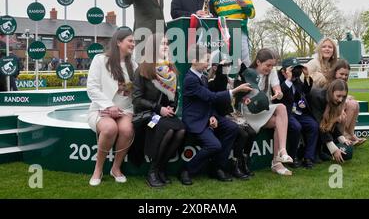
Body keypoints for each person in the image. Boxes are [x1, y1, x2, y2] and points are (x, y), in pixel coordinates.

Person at [180, 44, 251, 185]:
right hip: (195, 120)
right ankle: (187, 170)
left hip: (207, 116)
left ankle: (218, 167)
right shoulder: (190, 79)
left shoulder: (203, 77)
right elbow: (211, 96)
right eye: (206, 59)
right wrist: (235, 90)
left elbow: (208, 102)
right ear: (194, 60)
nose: (208, 63)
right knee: (214, 145)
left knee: (233, 128)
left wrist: (212, 115)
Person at [132, 33, 185, 188]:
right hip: (149, 114)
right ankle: (153, 171)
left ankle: (162, 168)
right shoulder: (142, 69)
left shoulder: (170, 68)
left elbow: (175, 95)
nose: (166, 47)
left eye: (167, 44)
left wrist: (171, 107)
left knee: (181, 130)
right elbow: (136, 99)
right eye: (163, 44)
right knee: (167, 130)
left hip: (164, 113)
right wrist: (158, 108)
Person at [86, 27, 136, 186]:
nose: (133, 44)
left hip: (125, 110)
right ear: (118, 42)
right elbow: (92, 88)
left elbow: (135, 91)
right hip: (101, 110)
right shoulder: (100, 60)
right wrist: (108, 106)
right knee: (109, 129)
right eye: (130, 40)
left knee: (127, 130)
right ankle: (98, 169)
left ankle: (116, 168)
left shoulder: (133, 64)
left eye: (134, 41)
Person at [237, 48, 293, 175]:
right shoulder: (247, 73)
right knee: (280, 116)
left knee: (280, 112)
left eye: (272, 65)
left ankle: (279, 157)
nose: (270, 68)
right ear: (258, 62)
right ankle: (278, 160)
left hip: (265, 110)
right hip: (249, 113)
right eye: (267, 65)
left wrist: (278, 94)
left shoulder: (272, 73)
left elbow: (278, 89)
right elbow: (238, 97)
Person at [207, 52, 255, 180]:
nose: (228, 67)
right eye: (225, 65)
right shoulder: (212, 82)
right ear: (215, 67)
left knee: (251, 132)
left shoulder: (230, 80)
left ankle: (243, 163)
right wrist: (221, 71)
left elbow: (246, 84)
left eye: (229, 64)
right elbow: (220, 87)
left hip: (235, 115)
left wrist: (242, 68)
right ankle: (234, 166)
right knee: (242, 135)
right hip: (222, 116)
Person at [276, 57, 318, 169]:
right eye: (293, 69)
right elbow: (278, 97)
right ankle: (291, 156)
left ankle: (308, 157)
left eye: (297, 69)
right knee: (296, 127)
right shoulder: (278, 78)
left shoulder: (296, 79)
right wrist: (288, 80)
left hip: (297, 112)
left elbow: (305, 91)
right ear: (283, 71)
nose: (296, 72)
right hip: (285, 113)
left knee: (313, 125)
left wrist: (307, 76)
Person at [209, 0, 255, 66]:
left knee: (245, 63)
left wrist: (244, 6)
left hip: (240, 32)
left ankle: (247, 81)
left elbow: (252, 14)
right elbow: (214, 18)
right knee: (227, 64)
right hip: (224, 36)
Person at [309, 79, 353, 164]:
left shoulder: (335, 102)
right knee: (313, 125)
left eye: (343, 97)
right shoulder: (318, 97)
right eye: (338, 96)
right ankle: (315, 153)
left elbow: (330, 123)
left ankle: (322, 152)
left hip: (318, 120)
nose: (341, 100)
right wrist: (333, 149)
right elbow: (320, 124)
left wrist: (342, 139)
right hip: (302, 113)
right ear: (331, 92)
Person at [326, 59, 366, 146]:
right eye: (341, 74)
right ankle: (344, 135)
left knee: (354, 104)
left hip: (339, 107)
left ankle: (351, 134)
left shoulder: (343, 83)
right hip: (329, 111)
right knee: (348, 104)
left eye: (346, 75)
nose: (344, 77)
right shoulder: (330, 83)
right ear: (335, 72)